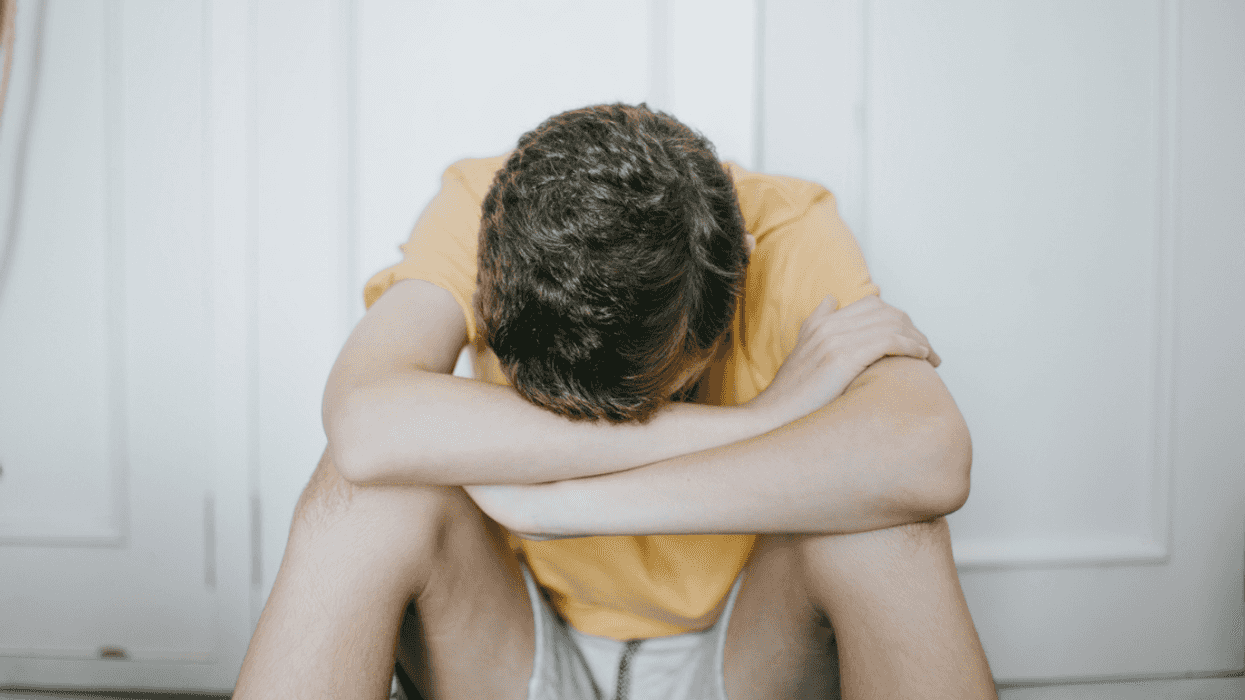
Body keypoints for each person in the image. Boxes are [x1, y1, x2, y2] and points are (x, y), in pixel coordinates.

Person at [233, 103, 997, 700]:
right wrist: (754, 421)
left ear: (726, 304)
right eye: (555, 412)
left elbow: (931, 454)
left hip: (743, 657)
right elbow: (365, 426)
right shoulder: (481, 206)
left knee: (886, 526)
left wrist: (562, 505)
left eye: (647, 400)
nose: (595, 430)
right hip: (515, 651)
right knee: (360, 492)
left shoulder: (787, 228)